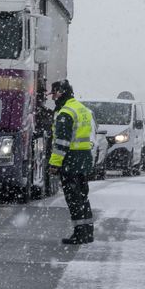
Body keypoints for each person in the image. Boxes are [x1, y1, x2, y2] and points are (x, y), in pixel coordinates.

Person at [49, 79, 95, 244]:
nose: (53, 97)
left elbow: (61, 143)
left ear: (60, 92)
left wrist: (54, 164)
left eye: (54, 93)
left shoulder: (66, 113)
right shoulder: (82, 109)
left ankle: (79, 233)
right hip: (83, 159)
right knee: (83, 197)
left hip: (71, 161)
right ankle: (88, 232)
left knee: (74, 199)